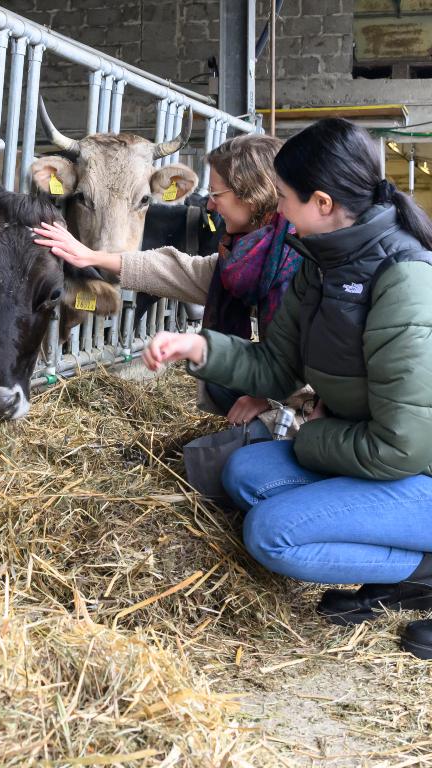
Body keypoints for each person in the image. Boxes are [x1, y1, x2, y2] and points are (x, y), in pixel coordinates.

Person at [138, 118, 432, 660]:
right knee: (245, 473)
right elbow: (278, 366)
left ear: (322, 203)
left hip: (417, 469)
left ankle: (423, 573)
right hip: (372, 448)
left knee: (272, 534)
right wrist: (199, 348)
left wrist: (310, 437)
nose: (277, 209)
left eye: (283, 198)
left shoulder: (404, 278)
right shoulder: (319, 263)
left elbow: (403, 447)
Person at [33, 134, 302, 427]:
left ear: (251, 196)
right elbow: (178, 271)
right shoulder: (251, 256)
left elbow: (324, 363)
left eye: (216, 195)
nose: (209, 206)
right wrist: (93, 256)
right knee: (218, 386)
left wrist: (272, 399)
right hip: (281, 386)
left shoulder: (302, 264)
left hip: (311, 411)